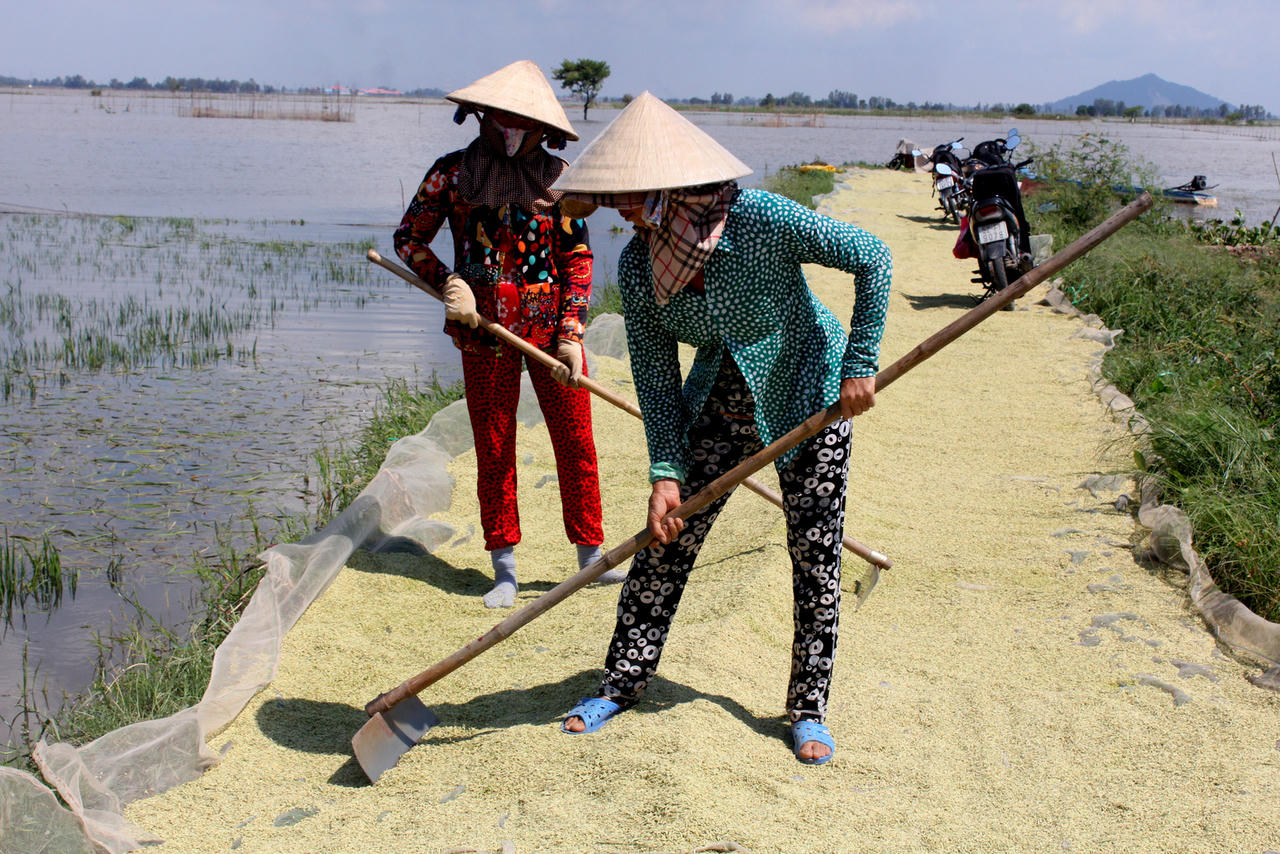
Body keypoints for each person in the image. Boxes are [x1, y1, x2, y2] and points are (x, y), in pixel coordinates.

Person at [550, 93, 892, 764]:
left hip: (810, 398)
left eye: (629, 195)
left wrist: (859, 363)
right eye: (613, 197)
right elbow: (654, 376)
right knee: (664, 545)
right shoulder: (641, 266)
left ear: (668, 188)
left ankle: (808, 708)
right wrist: (665, 473)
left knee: (815, 556)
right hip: (722, 402)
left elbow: (872, 257)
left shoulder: (762, 220)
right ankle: (621, 682)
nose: (620, 211)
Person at [393, 60, 614, 609]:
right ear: (482, 117)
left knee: (576, 440)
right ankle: (504, 566)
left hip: (550, 335)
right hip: (482, 333)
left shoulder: (560, 181)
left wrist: (570, 330)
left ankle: (589, 555)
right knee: (494, 447)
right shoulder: (451, 175)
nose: (513, 133)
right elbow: (408, 240)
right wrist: (450, 285)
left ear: (543, 129)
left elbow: (578, 258)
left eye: (525, 124)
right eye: (502, 120)